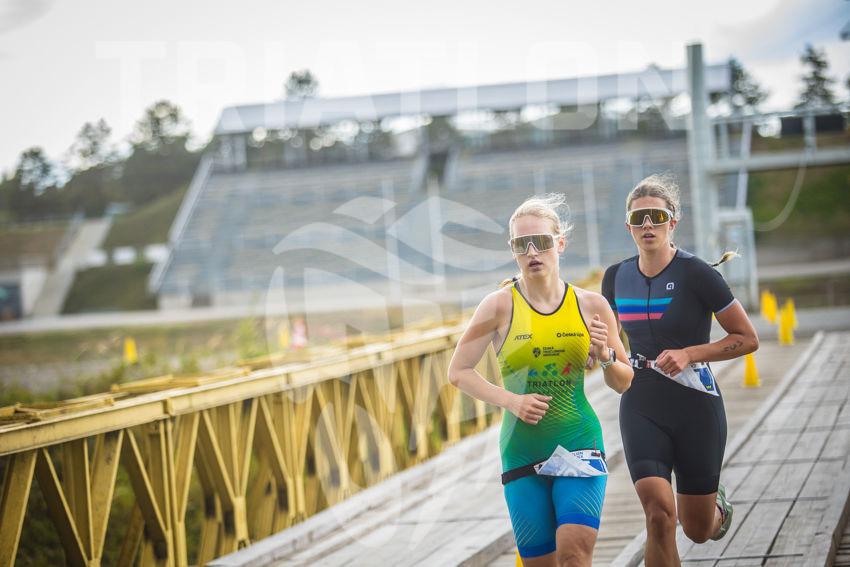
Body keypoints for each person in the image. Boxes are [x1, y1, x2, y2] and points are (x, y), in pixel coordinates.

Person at [448, 194, 633, 566]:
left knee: (574, 555)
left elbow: (623, 381)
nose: (532, 252)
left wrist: (606, 357)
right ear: (513, 251)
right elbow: (458, 372)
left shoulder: (591, 305)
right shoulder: (498, 306)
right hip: (521, 450)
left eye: (542, 242)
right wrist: (512, 401)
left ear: (560, 244)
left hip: (578, 442)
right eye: (522, 244)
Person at [601, 174, 759, 566]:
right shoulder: (615, 278)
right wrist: (599, 353)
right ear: (628, 226)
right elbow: (612, 345)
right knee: (658, 515)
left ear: (673, 222)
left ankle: (716, 507)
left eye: (657, 216)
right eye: (638, 218)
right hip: (640, 404)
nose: (647, 225)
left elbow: (747, 338)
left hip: (695, 406)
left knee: (697, 529)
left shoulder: (697, 273)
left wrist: (690, 353)